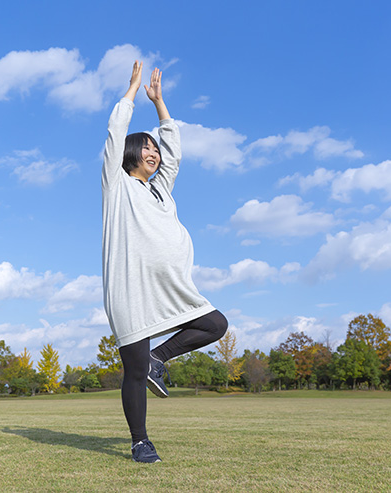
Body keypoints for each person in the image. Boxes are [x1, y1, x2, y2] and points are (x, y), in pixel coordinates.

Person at [101, 61, 228, 463]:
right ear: (129, 155)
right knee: (134, 372)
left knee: (215, 324)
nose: (154, 154)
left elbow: (174, 156)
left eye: (155, 149)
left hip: (171, 288)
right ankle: (140, 440)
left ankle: (162, 357)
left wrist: (161, 107)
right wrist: (132, 92)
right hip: (131, 291)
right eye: (147, 148)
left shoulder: (161, 192)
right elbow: (114, 134)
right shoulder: (117, 186)